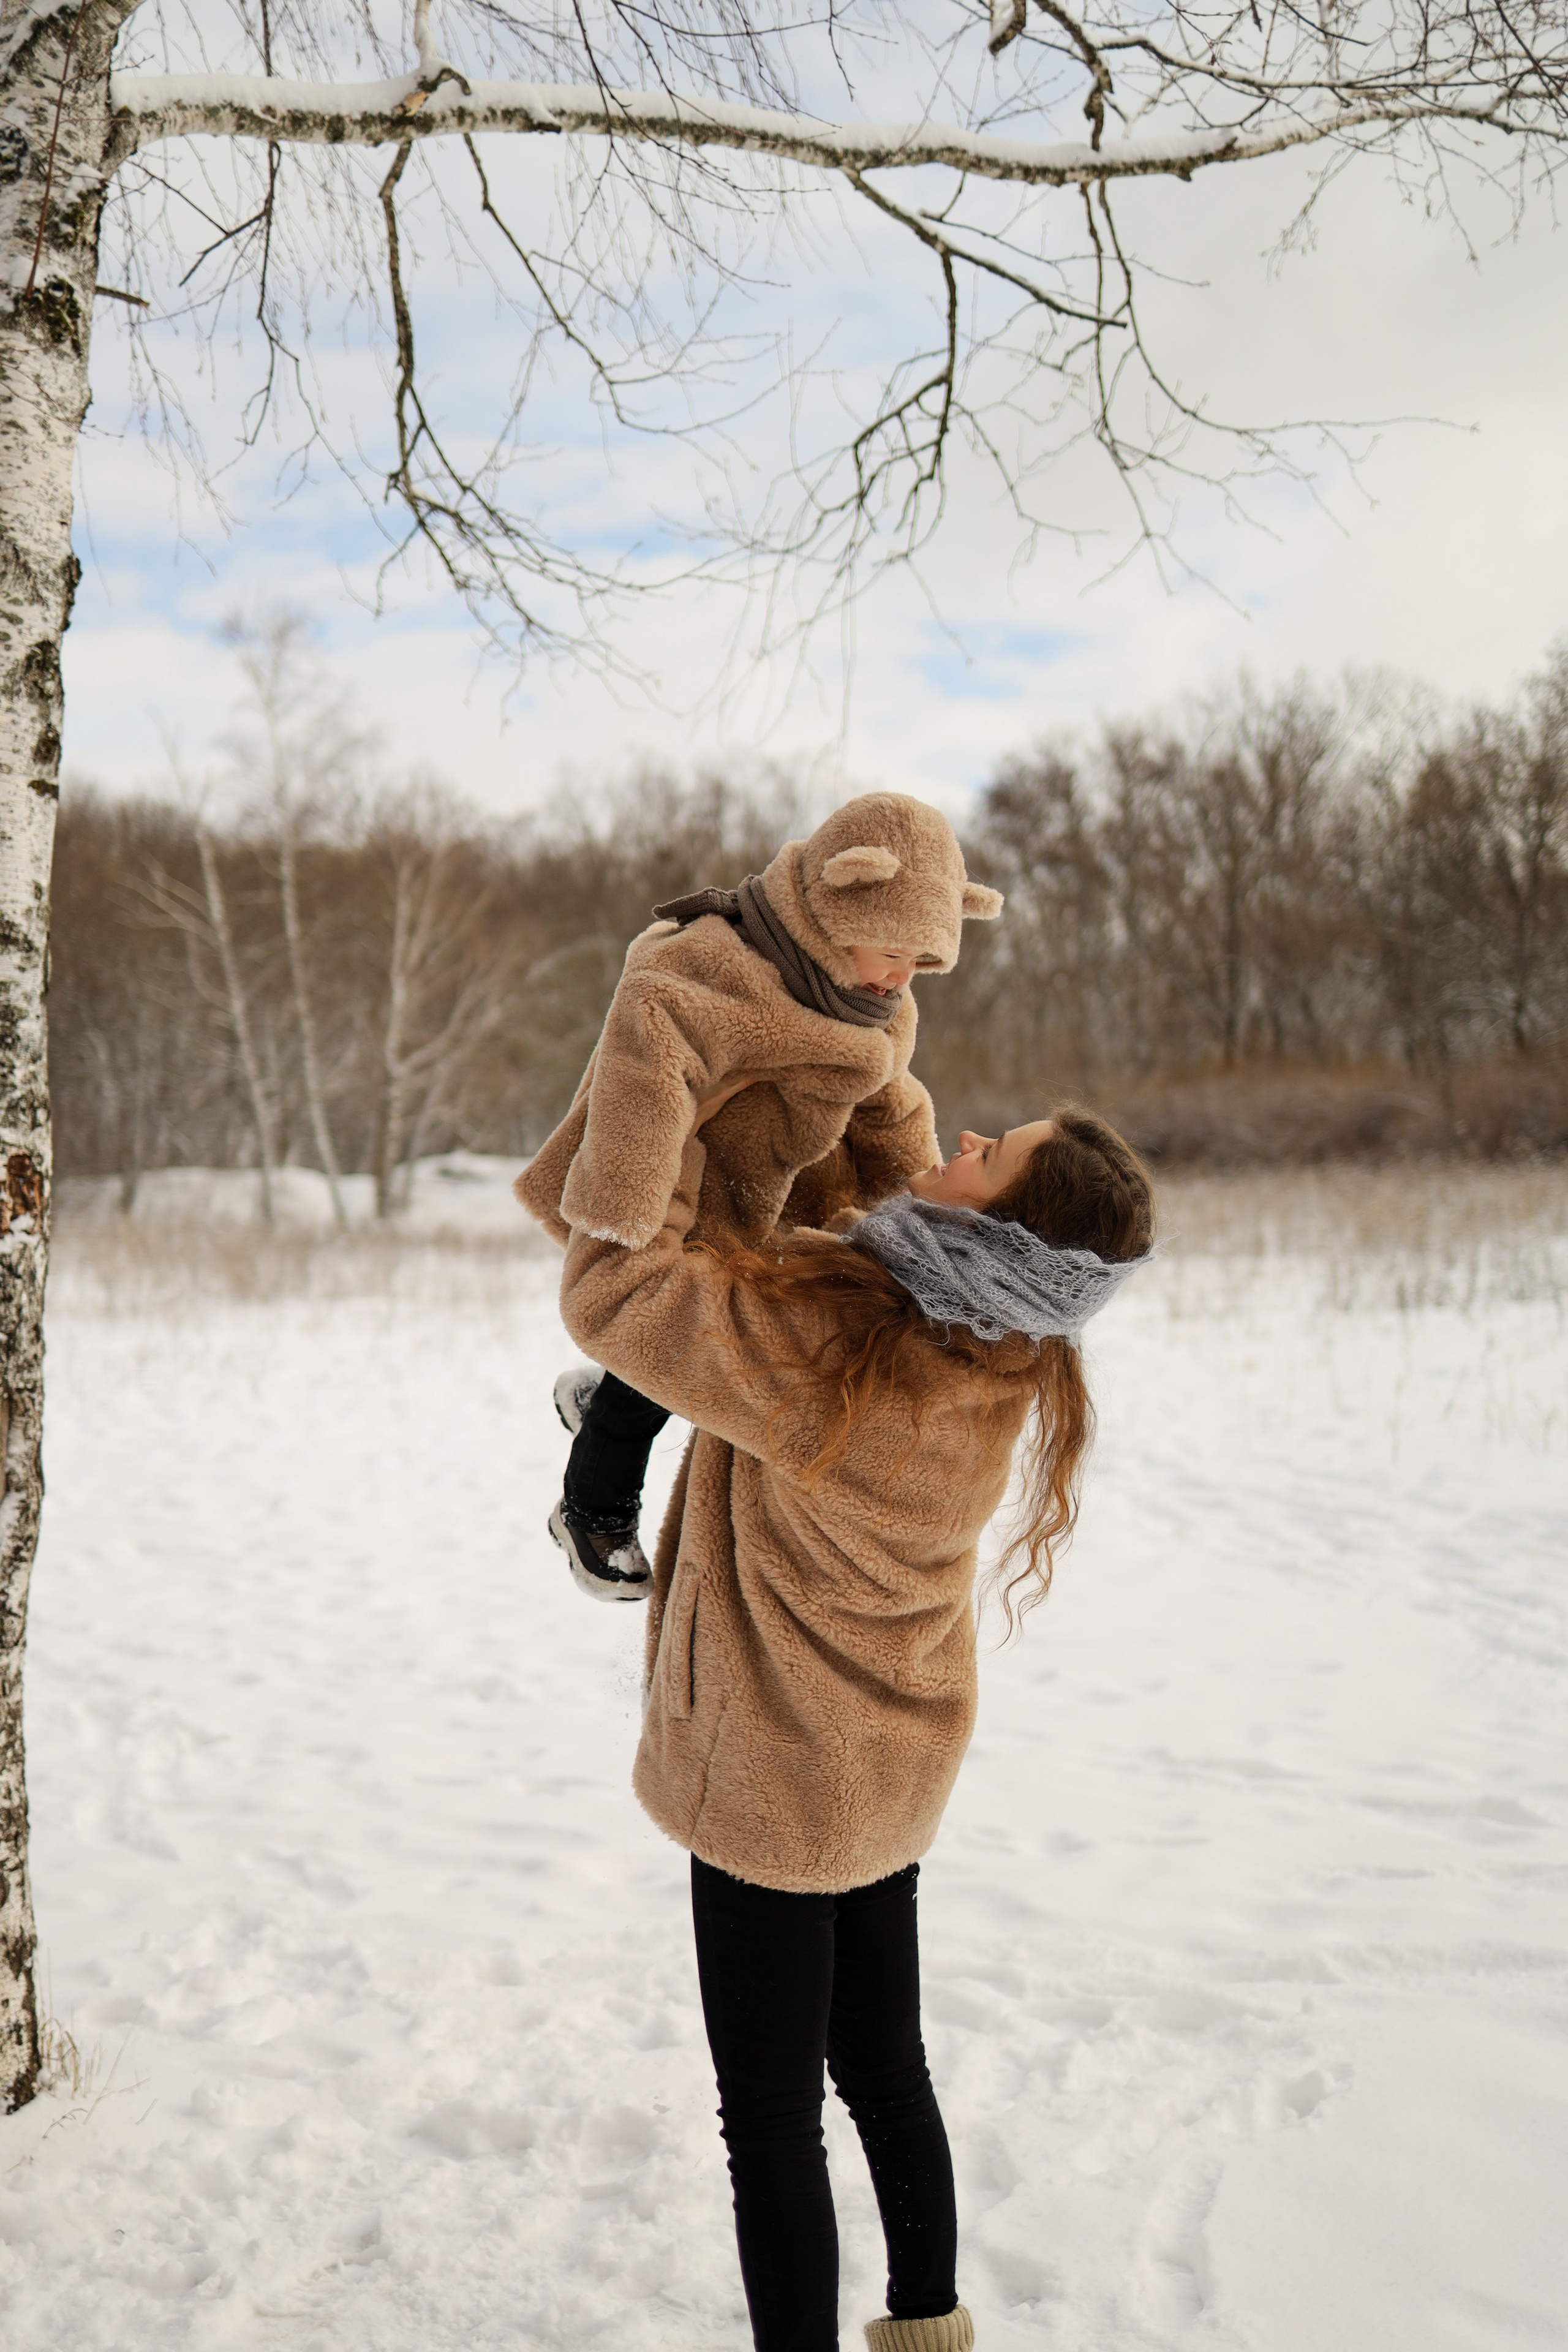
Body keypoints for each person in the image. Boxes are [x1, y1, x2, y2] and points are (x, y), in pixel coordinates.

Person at [557, 1099, 1155, 2352]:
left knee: (769, 2118)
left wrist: (649, 1097)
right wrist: (867, 1069)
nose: (963, 1139)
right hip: (888, 1768)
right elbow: (893, 1181)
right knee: (885, 2073)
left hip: (775, 1779)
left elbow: (617, 1300)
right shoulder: (994, 1342)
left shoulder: (829, 1348)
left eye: (987, 1155)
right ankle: (928, 2327)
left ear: (989, 1231)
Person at [514, 792, 1003, 1599]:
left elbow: (887, 1091)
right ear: (840, 897)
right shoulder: (713, 964)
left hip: (779, 1191)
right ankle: (592, 1506)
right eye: (891, 951)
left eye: (921, 964)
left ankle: (604, 1387)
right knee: (666, 1345)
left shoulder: (875, 998)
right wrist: (627, 1205)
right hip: (690, 1179)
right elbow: (647, 1054)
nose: (897, 978)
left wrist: (917, 1203)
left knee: (735, 1340)